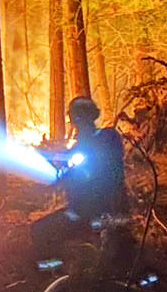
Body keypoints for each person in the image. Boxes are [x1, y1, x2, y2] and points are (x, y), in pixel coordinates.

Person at [32, 96, 126, 258]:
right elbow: (65, 175)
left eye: (77, 119)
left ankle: (54, 274)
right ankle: (66, 271)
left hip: (90, 212)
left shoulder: (104, 139)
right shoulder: (105, 139)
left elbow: (89, 173)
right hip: (91, 211)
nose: (77, 124)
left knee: (40, 230)